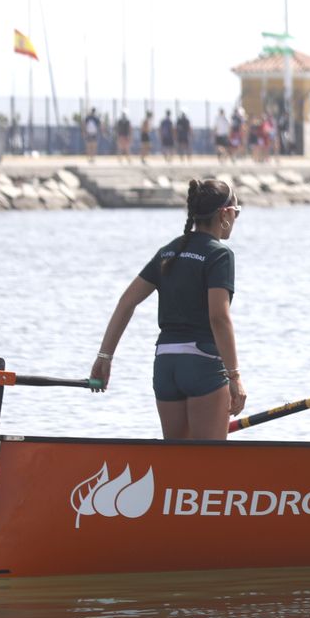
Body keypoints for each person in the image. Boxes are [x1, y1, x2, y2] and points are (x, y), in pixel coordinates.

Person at [89, 179, 247, 439]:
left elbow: (127, 301)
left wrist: (104, 357)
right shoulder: (219, 254)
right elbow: (219, 317)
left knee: (177, 464)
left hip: (166, 365)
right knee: (207, 467)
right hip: (202, 365)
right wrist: (235, 376)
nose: (237, 218)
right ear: (225, 214)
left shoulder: (170, 251)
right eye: (237, 212)